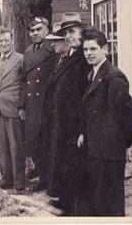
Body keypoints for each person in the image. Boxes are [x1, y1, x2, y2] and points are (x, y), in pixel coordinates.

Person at [78, 26, 132, 216]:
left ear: (106, 50)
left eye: (93, 49)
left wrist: (125, 144)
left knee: (110, 204)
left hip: (109, 151)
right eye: (85, 50)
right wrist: (84, 133)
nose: (88, 53)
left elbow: (128, 115)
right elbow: (93, 112)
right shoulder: (93, 74)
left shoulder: (114, 77)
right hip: (95, 148)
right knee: (98, 199)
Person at [40, 18, 91, 215]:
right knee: (63, 162)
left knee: (73, 164)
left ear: (81, 33)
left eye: (72, 32)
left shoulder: (83, 57)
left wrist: (82, 127)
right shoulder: (71, 55)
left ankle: (73, 206)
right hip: (62, 119)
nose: (68, 37)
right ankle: (65, 200)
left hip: (74, 121)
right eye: (66, 33)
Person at [18, 16, 56, 191]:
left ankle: (47, 179)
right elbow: (24, 81)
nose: (35, 33)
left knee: (46, 142)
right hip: (32, 104)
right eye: (32, 31)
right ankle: (41, 173)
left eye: (39, 29)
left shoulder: (53, 49)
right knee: (33, 141)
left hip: (46, 104)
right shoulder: (28, 52)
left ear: (47, 30)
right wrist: (21, 105)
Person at [0, 28, 25, 192]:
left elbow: (24, 85)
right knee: (1, 146)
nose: (3, 43)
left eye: (6, 41)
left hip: (13, 106)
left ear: (12, 41)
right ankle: (6, 178)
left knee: (16, 146)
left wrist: (22, 105)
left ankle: (19, 181)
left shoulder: (20, 59)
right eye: (1, 41)